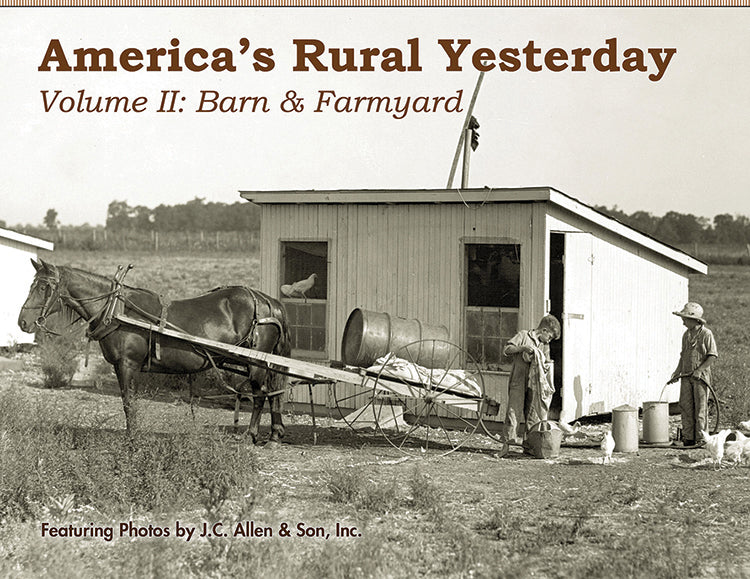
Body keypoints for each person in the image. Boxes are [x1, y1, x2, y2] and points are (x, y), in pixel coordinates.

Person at [503, 314, 561, 445]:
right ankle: (507, 445)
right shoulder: (523, 335)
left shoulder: (545, 346)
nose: (548, 341)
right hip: (518, 382)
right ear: (544, 330)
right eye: (549, 337)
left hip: (535, 386)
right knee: (513, 414)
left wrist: (546, 363)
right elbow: (506, 349)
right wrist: (522, 348)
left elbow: (545, 363)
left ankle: (529, 446)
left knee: (533, 416)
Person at [667, 302, 718, 447]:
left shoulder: (706, 334)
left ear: (695, 320)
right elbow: (683, 356)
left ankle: (701, 438)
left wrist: (700, 370)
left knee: (701, 408)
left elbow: (712, 355)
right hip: (686, 376)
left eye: (685, 319)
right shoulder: (686, 335)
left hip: (701, 378)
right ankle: (688, 438)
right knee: (686, 406)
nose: (683, 322)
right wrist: (677, 372)